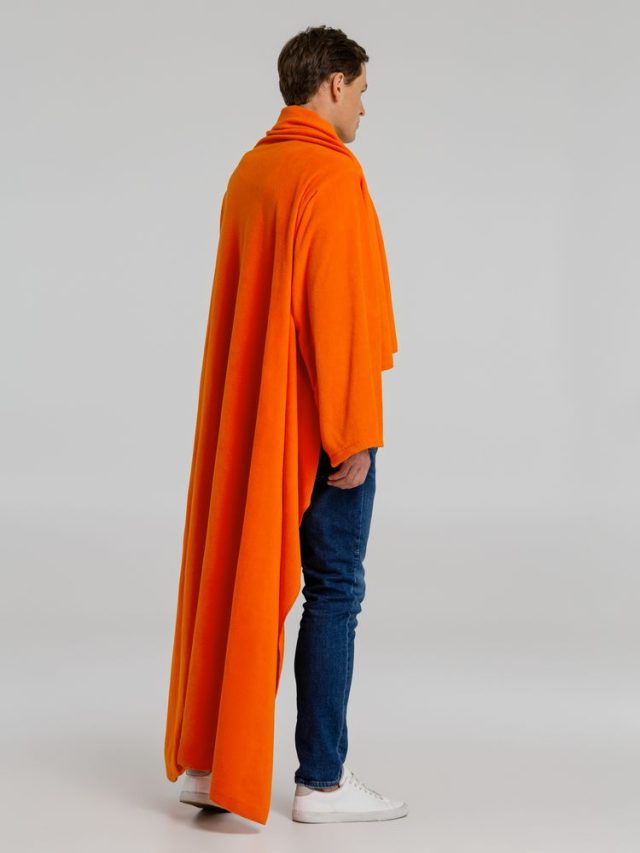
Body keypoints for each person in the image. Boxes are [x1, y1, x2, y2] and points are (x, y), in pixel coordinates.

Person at [166, 25, 406, 825]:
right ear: (333, 83)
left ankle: (208, 764)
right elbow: (332, 315)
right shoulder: (329, 174)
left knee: (239, 580)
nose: (364, 107)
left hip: (256, 423)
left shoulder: (251, 171)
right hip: (317, 424)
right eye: (362, 90)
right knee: (336, 588)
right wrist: (353, 432)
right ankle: (322, 782)